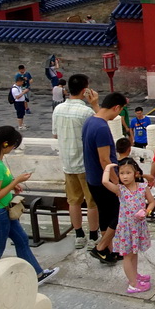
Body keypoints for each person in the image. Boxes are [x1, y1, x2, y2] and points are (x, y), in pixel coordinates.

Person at [0, 125, 59, 285]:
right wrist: (16, 181)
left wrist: (11, 185)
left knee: (21, 239)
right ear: (5, 144)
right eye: (14, 145)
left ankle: (37, 274)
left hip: (2, 211)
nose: (14, 148)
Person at [52, 74, 101, 250]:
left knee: (73, 201)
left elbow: (55, 133)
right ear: (84, 90)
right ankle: (94, 235)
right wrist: (95, 104)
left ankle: (79, 235)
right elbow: (100, 127)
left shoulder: (58, 110)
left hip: (68, 162)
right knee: (92, 201)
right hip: (86, 164)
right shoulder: (86, 112)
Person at [83, 91, 128, 263]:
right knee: (118, 214)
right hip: (104, 181)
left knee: (106, 215)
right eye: (120, 110)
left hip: (92, 177)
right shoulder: (101, 128)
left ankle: (109, 251)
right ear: (116, 107)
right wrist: (117, 184)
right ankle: (101, 247)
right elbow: (105, 159)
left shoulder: (91, 121)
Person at [101, 158, 155, 294]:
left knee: (134, 253)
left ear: (135, 173)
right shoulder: (120, 190)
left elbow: (152, 202)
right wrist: (108, 168)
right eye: (121, 173)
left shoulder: (143, 187)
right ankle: (133, 283)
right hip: (126, 229)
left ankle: (134, 275)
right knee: (127, 256)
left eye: (128, 173)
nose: (124, 176)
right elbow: (105, 182)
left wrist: (146, 211)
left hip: (138, 226)